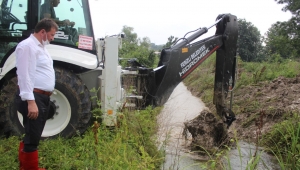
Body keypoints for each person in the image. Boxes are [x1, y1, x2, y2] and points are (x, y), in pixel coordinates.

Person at [15, 18, 58, 170]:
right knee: (33, 136)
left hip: (41, 97)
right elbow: (24, 75)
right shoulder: (27, 47)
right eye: (51, 34)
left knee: (33, 132)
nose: (53, 38)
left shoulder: (41, 47)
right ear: (42, 32)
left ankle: (25, 166)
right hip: (34, 97)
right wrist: (30, 101)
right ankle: (30, 168)